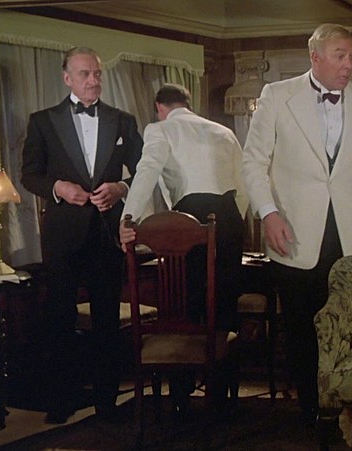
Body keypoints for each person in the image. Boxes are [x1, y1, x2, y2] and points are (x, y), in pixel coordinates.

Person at [241, 23, 352, 423]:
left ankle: (343, 408)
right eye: (340, 56)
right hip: (293, 231)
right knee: (301, 326)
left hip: (348, 233)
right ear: (315, 58)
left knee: (347, 323)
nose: (349, 64)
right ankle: (311, 413)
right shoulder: (277, 95)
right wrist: (268, 212)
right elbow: (253, 161)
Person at [21, 46, 143, 424]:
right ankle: (62, 400)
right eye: (85, 74)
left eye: (97, 74)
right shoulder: (43, 121)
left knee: (107, 320)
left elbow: (144, 169)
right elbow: (29, 175)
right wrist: (58, 187)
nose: (93, 80)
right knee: (60, 318)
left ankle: (107, 404)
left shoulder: (122, 120)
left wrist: (121, 188)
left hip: (107, 233)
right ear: (67, 78)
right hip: (63, 235)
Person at [118, 84, 247, 406]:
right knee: (223, 304)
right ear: (188, 104)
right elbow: (243, 184)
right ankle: (221, 393)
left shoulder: (160, 129)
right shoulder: (223, 131)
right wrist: (236, 223)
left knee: (185, 303)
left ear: (159, 107)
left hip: (187, 218)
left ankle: (181, 390)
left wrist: (128, 219)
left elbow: (147, 171)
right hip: (229, 216)